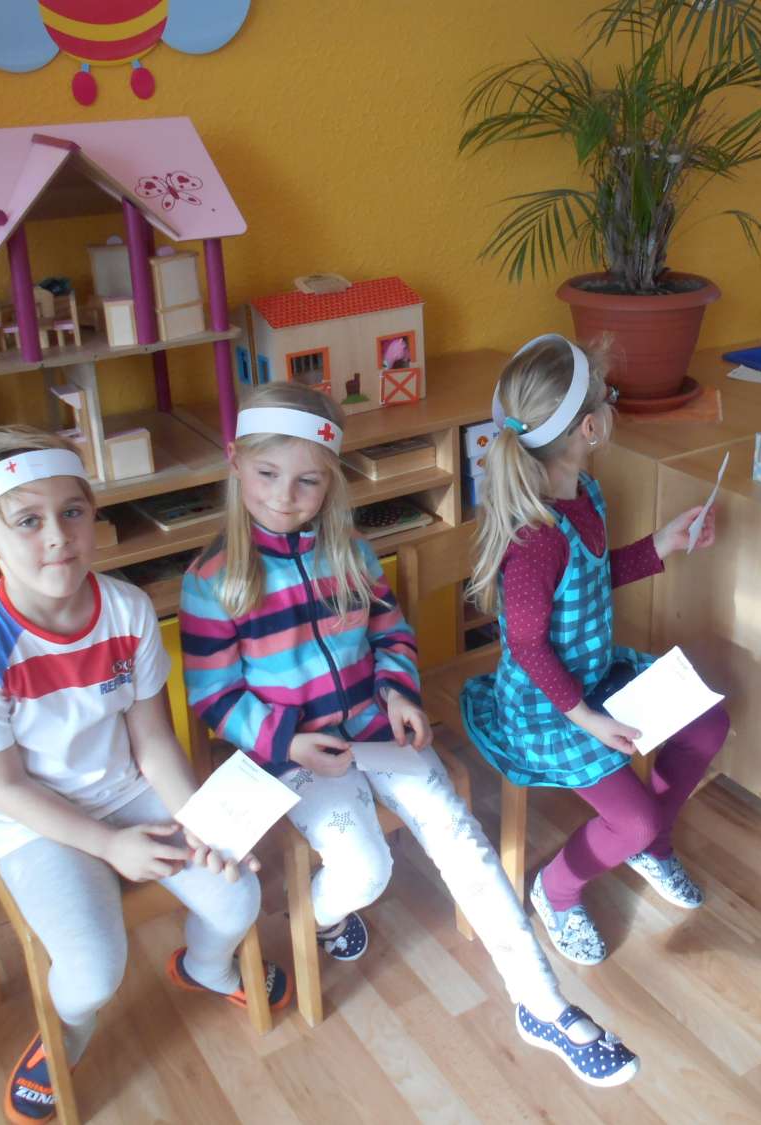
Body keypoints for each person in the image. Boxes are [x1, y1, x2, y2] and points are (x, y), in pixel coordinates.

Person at [180, 383, 639, 1087]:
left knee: (465, 841)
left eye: (307, 481)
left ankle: (542, 1005)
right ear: (235, 461)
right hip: (297, 758)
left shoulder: (352, 551)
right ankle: (318, 917)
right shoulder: (212, 581)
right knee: (365, 871)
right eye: (267, 474)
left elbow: (390, 633)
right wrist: (288, 742)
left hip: (375, 731)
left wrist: (398, 691)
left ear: (330, 481)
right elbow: (215, 694)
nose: (284, 497)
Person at [0, 426, 289, 1125]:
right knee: (94, 972)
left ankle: (205, 967)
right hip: (36, 821)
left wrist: (203, 823)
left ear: (93, 515)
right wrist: (107, 845)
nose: (57, 536)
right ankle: (67, 1028)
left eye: (72, 511)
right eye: (28, 521)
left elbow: (153, 739)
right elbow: (7, 788)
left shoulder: (126, 609)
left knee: (236, 896)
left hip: (126, 789)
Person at [460, 334, 731, 967]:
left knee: (707, 724)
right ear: (590, 427)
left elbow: (591, 578)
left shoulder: (585, 493)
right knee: (632, 821)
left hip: (595, 675)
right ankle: (557, 891)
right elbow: (526, 645)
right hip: (549, 709)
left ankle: (650, 845)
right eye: (609, 397)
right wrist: (587, 718)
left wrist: (660, 545)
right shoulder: (537, 538)